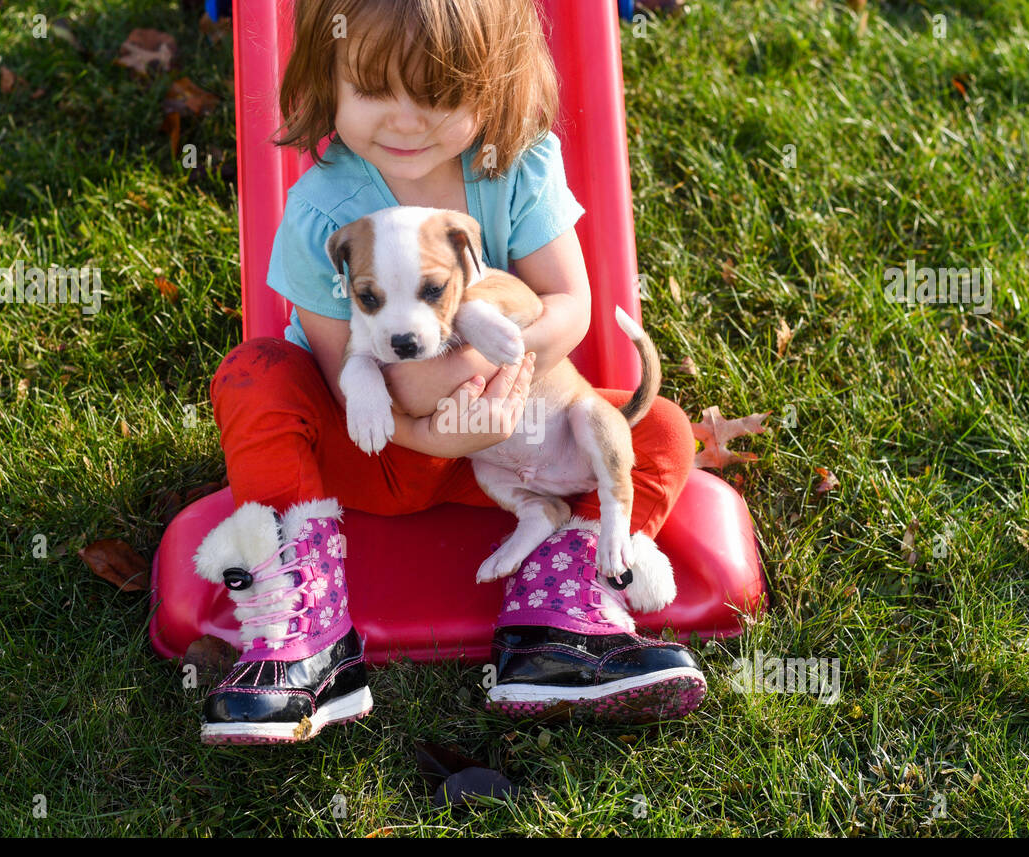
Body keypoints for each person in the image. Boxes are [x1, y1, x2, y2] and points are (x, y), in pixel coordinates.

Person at [192, 0, 703, 745]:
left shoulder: (518, 166)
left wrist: (500, 389)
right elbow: (348, 379)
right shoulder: (320, 214)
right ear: (326, 78)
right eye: (373, 90)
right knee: (256, 375)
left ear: (493, 86)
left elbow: (571, 305)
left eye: (436, 94)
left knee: (656, 427)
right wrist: (446, 425)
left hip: (510, 448)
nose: (405, 121)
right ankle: (304, 628)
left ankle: (563, 608)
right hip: (368, 455)